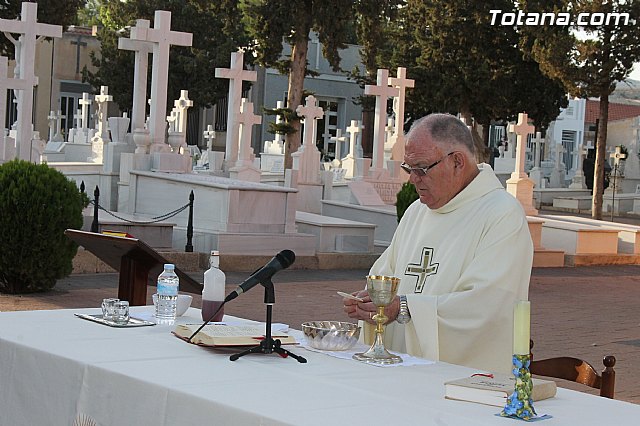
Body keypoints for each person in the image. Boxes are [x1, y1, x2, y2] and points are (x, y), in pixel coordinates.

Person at [343, 113, 533, 373]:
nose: (413, 179)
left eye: (421, 169)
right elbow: (384, 277)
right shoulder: (416, 213)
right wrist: (370, 302)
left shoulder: (502, 214)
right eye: (409, 169)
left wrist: (404, 308)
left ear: (457, 162)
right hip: (398, 371)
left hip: (463, 381)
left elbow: (487, 305)